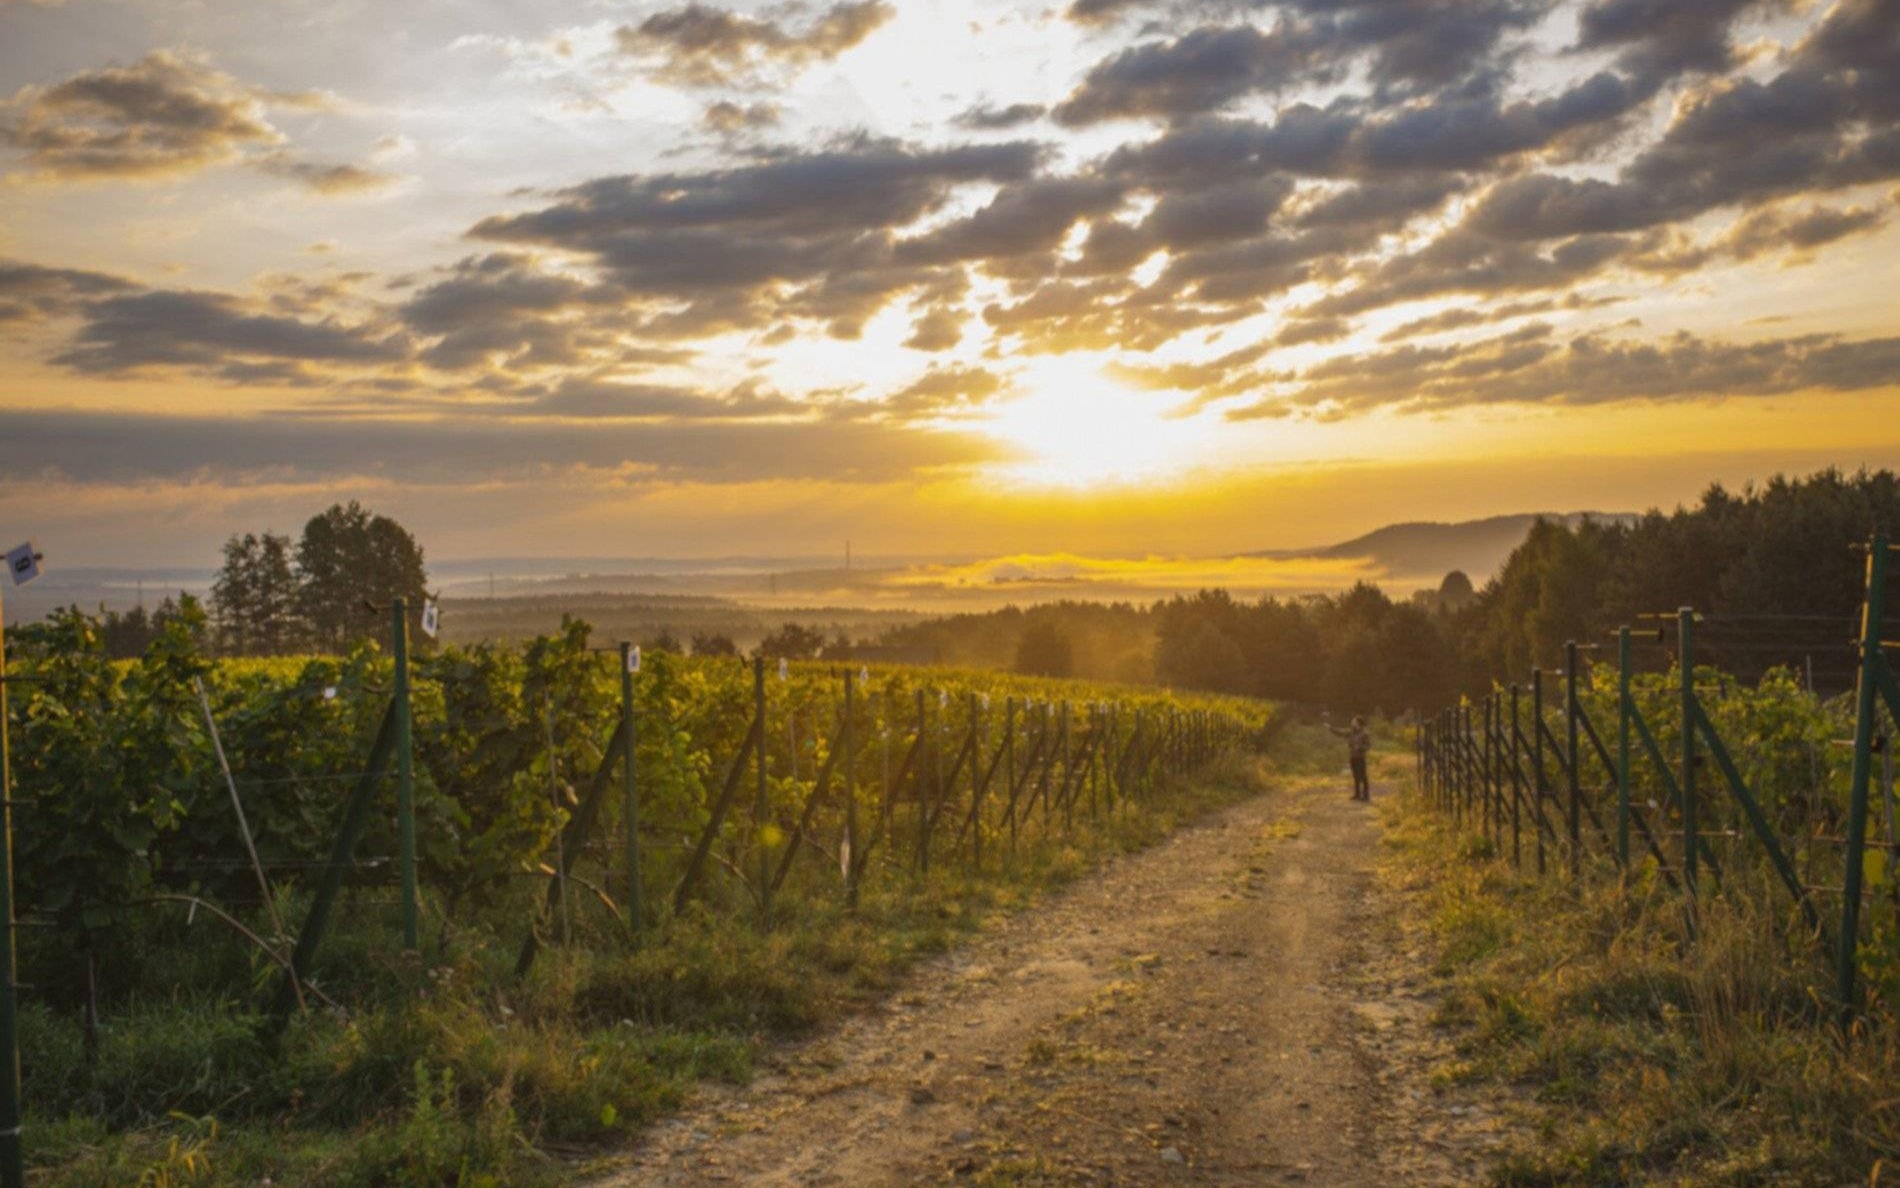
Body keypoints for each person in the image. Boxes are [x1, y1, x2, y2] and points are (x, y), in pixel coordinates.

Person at [1327, 713, 1372, 801]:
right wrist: (1330, 728)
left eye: (1354, 721)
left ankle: (1366, 796)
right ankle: (1357, 795)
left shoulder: (1364, 734)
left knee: (1363, 776)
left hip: (1360, 757)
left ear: (1358, 723)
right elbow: (1340, 733)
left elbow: (1368, 746)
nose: (1352, 723)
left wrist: (1360, 748)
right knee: (1355, 776)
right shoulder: (1351, 732)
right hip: (1353, 757)